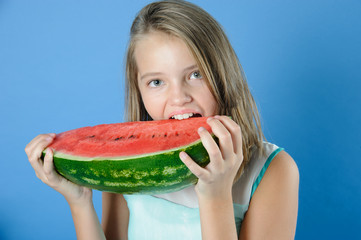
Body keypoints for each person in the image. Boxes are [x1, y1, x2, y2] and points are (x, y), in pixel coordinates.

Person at [25, 0, 299, 239]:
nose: (179, 98)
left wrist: (215, 195)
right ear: (139, 89)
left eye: (196, 74)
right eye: (157, 81)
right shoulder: (125, 163)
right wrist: (80, 200)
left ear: (223, 74)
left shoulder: (272, 171)